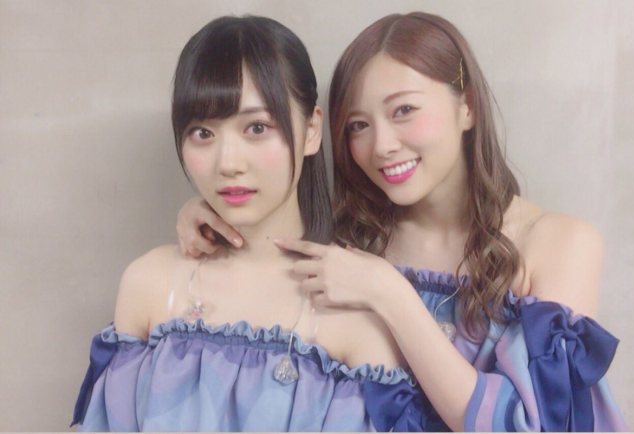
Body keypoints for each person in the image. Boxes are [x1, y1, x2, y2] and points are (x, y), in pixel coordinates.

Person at [177, 12, 629, 431]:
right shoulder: (350, 240)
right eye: (358, 125)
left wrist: (390, 295)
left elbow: (535, 424)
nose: (382, 145)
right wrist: (212, 214)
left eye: (404, 111)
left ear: (467, 105)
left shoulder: (558, 243)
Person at [71, 15, 438, 432]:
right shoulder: (150, 285)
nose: (228, 163)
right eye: (203, 133)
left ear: (311, 130)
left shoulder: (359, 317)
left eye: (257, 127)